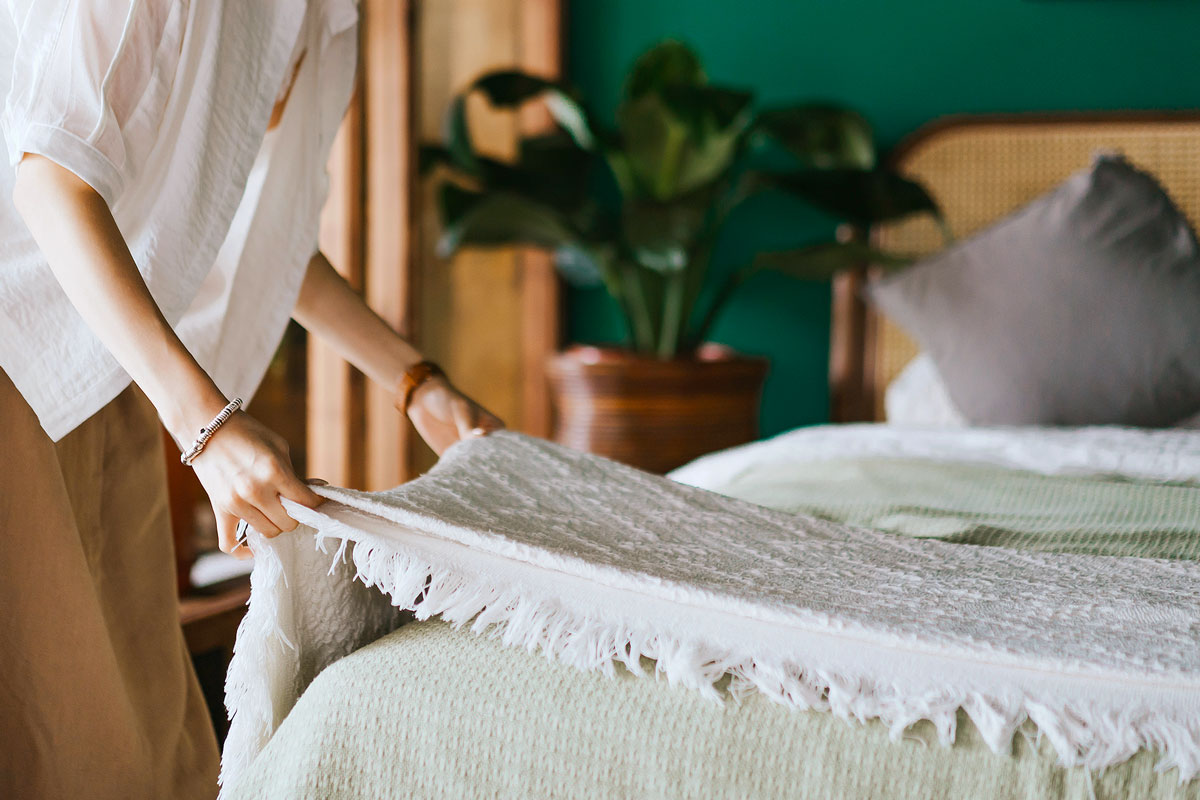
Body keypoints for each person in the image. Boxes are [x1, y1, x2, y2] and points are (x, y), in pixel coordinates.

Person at [0, 2, 500, 797]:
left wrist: (418, 386)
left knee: (162, 756)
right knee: (65, 745)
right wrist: (209, 429)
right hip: (19, 351)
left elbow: (254, 235)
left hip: (101, 370)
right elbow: (50, 182)